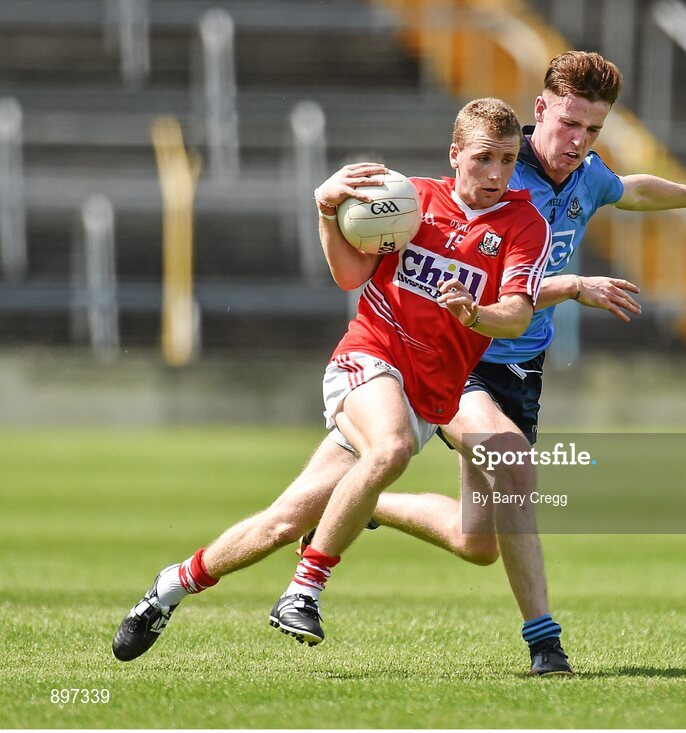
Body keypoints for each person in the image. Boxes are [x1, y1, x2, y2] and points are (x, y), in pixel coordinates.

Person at [111, 97, 552, 662]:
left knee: (283, 521)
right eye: (484, 157)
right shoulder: (408, 199)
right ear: (455, 155)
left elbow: (516, 311)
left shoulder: (524, 224)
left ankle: (169, 586)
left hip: (426, 397)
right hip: (368, 359)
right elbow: (350, 276)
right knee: (389, 448)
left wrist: (475, 315)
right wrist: (326, 212)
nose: (496, 173)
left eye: (509, 159)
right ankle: (305, 588)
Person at [364, 51, 686, 676]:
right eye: (570, 124)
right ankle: (545, 643)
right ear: (539, 109)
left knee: (478, 542)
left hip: (520, 369)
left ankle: (360, 502)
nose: (579, 141)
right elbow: (486, 280)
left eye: (594, 129)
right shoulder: (496, 173)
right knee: (515, 466)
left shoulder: (586, 175)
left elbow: (630, 190)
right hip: (458, 352)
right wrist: (572, 284)